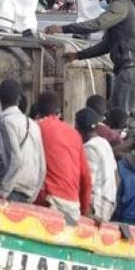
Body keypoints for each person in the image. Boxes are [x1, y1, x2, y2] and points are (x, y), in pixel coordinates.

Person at [45, 0, 135, 126]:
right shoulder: (119, 12)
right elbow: (106, 45)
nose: (100, 0)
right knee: (123, 115)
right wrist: (78, 55)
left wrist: (63, 28)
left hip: (132, 68)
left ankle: (123, 145)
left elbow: (98, 24)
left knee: (119, 117)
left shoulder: (120, 6)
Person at [0, 78, 46, 203]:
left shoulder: (4, 122)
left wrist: (1, 192)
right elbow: (43, 168)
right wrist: (32, 197)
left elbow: (16, 160)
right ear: (19, 99)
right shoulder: (33, 124)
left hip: (12, 190)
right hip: (29, 192)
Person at [33, 92, 92, 225]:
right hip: (72, 205)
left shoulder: (35, 128)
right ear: (58, 111)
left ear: (38, 110)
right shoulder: (74, 133)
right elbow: (86, 177)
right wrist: (83, 210)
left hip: (48, 201)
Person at [74, 107, 117, 221]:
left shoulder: (89, 148)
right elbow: (116, 176)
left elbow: (88, 182)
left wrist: (85, 210)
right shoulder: (104, 143)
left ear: (77, 128)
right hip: (109, 202)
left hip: (95, 203)